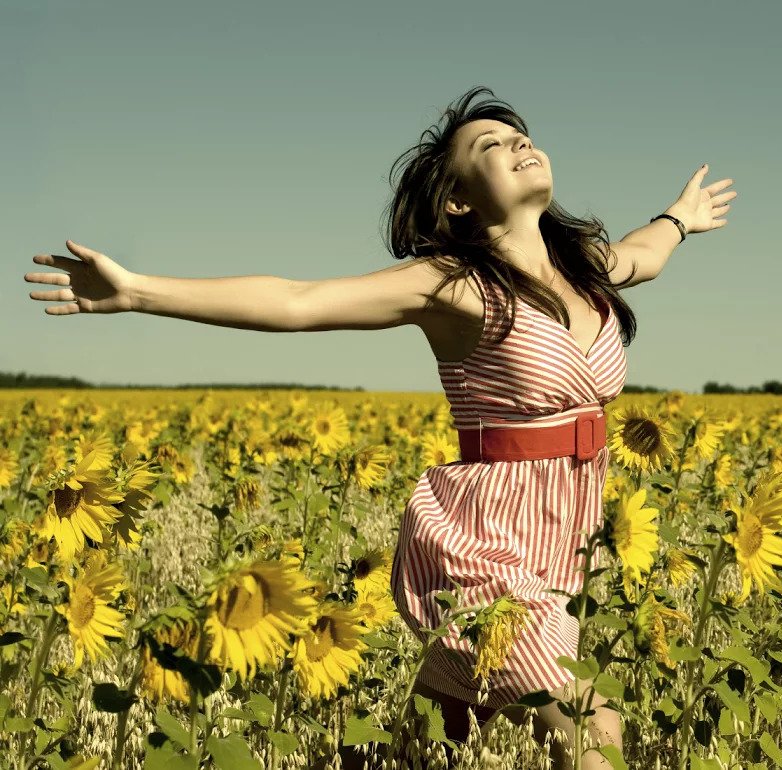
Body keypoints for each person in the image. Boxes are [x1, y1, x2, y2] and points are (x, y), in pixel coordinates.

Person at [24, 85, 735, 769]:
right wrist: (139, 291)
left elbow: (646, 254)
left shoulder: (587, 271)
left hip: (565, 543)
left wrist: (678, 218)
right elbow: (302, 301)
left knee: (426, 743)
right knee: (590, 721)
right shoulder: (454, 286)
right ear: (458, 198)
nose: (518, 143)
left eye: (521, 135)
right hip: (485, 547)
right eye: (490, 143)